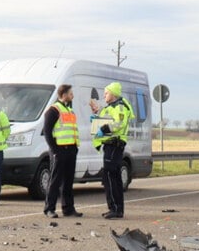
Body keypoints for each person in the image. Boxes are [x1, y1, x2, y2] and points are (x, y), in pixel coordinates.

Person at [89, 81, 134, 219]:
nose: (104, 95)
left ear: (113, 93)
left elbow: (118, 124)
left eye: (106, 92)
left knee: (111, 177)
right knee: (110, 177)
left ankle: (116, 209)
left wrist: (103, 129)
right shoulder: (112, 106)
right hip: (110, 145)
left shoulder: (120, 107)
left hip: (115, 144)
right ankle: (114, 208)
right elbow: (105, 116)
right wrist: (96, 118)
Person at [42, 85, 83, 218]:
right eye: (71, 93)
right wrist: (55, 150)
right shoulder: (54, 110)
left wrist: (75, 147)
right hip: (59, 150)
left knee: (68, 181)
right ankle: (49, 209)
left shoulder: (70, 110)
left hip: (71, 149)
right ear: (64, 94)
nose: (73, 96)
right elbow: (47, 132)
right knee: (55, 180)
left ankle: (68, 208)